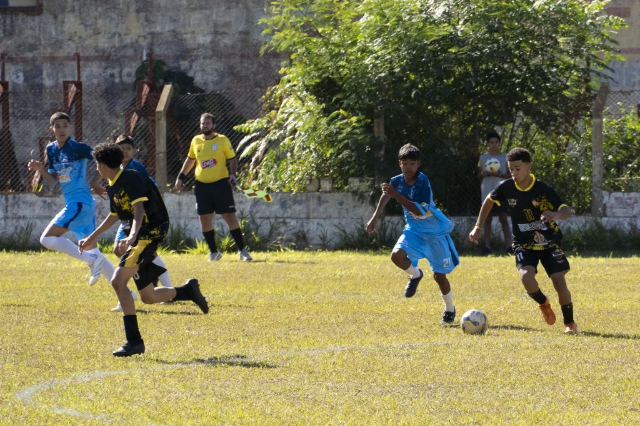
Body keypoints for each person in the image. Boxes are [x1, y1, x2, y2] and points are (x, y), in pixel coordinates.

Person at [79, 142, 209, 357]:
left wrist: (131, 236)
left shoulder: (130, 178)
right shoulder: (113, 184)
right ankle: (188, 291)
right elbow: (115, 215)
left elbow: (139, 208)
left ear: (102, 165)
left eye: (97, 164)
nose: (96, 169)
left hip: (151, 230)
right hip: (139, 233)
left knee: (118, 281)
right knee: (148, 296)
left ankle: (134, 342)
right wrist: (92, 237)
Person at [469, 147, 578, 335]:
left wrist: (556, 214)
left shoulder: (542, 190)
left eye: (517, 168)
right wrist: (478, 227)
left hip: (549, 241)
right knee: (526, 277)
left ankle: (569, 323)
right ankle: (543, 302)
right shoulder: (507, 187)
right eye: (511, 169)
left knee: (559, 282)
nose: (513, 173)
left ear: (529, 167)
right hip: (523, 243)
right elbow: (488, 201)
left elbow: (567, 210)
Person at [367, 143, 459, 324]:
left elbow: (418, 211)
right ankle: (416, 274)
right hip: (414, 231)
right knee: (396, 256)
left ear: (418, 164)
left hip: (434, 232)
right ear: (399, 163)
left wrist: (396, 195)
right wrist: (375, 217)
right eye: (405, 163)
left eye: (412, 163)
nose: (408, 167)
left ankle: (449, 308)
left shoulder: (423, 182)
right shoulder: (396, 181)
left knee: (439, 276)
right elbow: (386, 194)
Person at [27, 112, 114, 286]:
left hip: (80, 204)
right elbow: (53, 181)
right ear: (52, 129)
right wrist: (40, 169)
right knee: (94, 251)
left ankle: (91, 260)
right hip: (79, 205)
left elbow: (104, 160)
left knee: (46, 239)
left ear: (70, 127)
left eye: (65, 125)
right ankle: (126, 295)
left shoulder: (77, 147)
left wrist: (96, 181)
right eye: (57, 126)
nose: (61, 129)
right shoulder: (51, 149)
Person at [175, 112, 252, 262]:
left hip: (221, 184)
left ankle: (242, 250)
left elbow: (232, 159)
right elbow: (190, 160)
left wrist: (233, 174)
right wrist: (180, 177)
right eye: (203, 123)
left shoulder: (222, 140)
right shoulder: (196, 140)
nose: (205, 126)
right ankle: (214, 252)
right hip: (201, 186)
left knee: (229, 216)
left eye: (208, 123)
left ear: (214, 125)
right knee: (204, 218)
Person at [109, 135, 173, 312]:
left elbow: (147, 194)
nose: (125, 152)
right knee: (121, 250)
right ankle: (150, 283)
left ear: (134, 150)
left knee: (142, 253)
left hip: (143, 218)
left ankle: (132, 293)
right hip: (128, 219)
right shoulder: (117, 169)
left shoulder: (136, 169)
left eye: (128, 148)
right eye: (121, 149)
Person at [477, 131, 512, 255]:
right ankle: (487, 246)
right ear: (487, 144)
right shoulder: (483, 158)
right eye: (491, 142)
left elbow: (510, 175)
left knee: (504, 219)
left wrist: (500, 175)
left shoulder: (505, 157)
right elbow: (479, 176)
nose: (494, 145)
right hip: (487, 193)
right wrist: (482, 174)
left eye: (496, 142)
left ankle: (509, 245)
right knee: (487, 220)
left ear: (499, 143)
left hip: (502, 193)